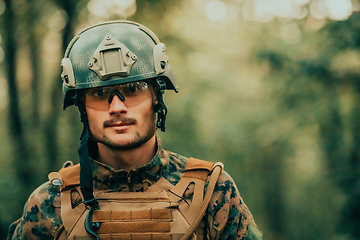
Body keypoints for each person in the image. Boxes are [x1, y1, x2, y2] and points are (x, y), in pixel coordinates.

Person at [7, 20, 262, 240]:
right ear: (82, 107)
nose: (116, 107)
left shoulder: (212, 191)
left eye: (133, 88)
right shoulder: (46, 203)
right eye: (99, 93)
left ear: (156, 96)